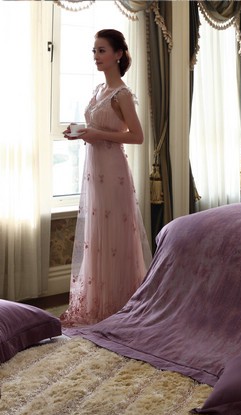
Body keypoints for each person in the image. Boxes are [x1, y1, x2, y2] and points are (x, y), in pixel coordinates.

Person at [60, 29, 152, 326]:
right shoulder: (100, 89)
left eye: (102, 50)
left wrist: (96, 133)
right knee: (98, 234)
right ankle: (98, 301)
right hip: (95, 171)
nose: (96, 56)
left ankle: (118, 305)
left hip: (113, 173)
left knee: (113, 235)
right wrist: (80, 132)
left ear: (118, 54)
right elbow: (98, 127)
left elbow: (137, 136)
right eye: (94, 51)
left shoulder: (121, 94)